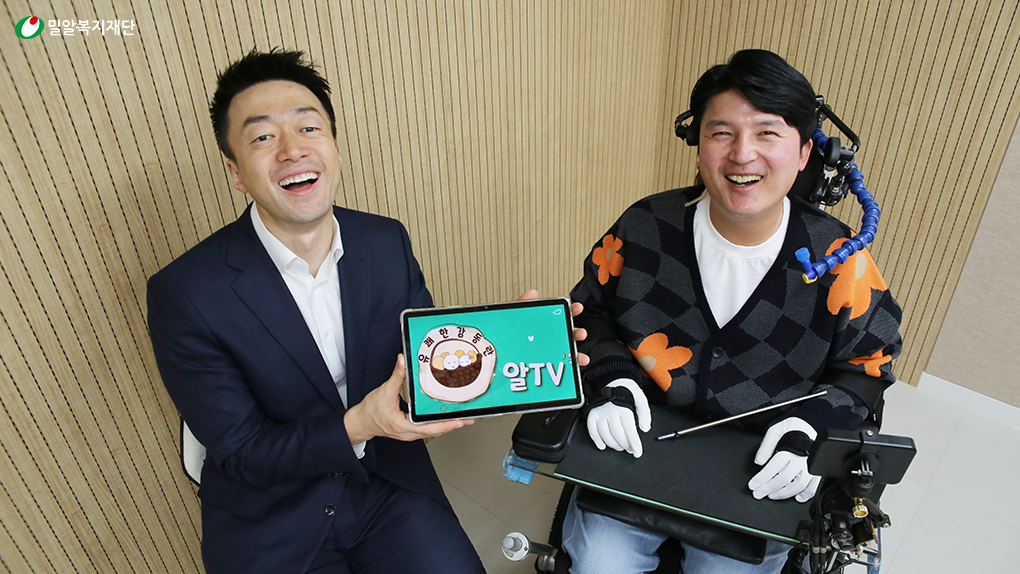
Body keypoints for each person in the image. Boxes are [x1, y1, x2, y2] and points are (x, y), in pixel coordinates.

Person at [560, 49, 903, 573]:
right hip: (639, 442)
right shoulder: (645, 226)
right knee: (597, 563)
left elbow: (867, 367)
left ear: (804, 152)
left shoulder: (841, 259)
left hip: (760, 466)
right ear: (699, 148)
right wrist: (613, 379)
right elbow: (589, 312)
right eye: (721, 133)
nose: (743, 155)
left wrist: (809, 429)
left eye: (767, 134)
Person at [146, 48, 487, 574]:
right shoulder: (184, 291)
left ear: (335, 149)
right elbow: (242, 451)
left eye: (308, 128)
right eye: (263, 137)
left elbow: (423, 359)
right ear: (236, 173)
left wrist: (512, 345)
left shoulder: (385, 240)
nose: (292, 150)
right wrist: (356, 425)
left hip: (386, 482)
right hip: (271, 514)